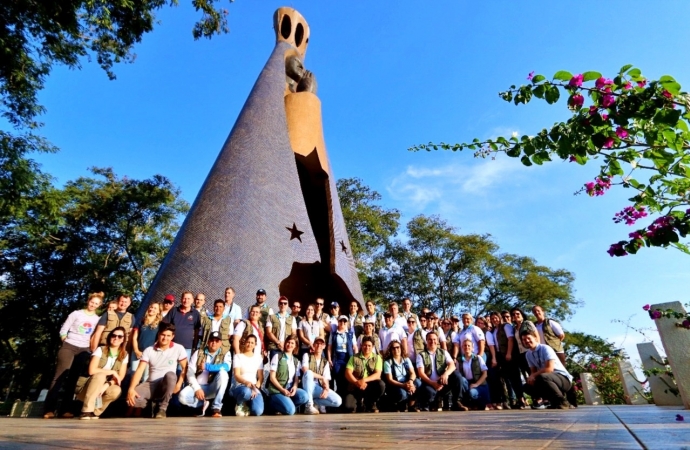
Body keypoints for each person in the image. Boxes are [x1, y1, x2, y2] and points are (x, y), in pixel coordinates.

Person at [44, 292, 103, 419]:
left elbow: (95, 335)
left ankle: (65, 409)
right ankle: (49, 409)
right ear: (88, 301)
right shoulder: (76, 314)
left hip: (84, 349)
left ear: (99, 305)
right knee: (60, 376)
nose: (93, 305)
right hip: (69, 345)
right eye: (92, 302)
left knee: (73, 379)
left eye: (96, 304)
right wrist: (64, 339)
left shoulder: (97, 319)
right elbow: (64, 328)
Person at [127, 323, 188, 418]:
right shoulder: (149, 350)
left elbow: (185, 367)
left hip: (167, 383)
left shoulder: (179, 348)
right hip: (151, 384)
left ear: (172, 337)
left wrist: (179, 384)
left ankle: (162, 409)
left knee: (171, 375)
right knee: (131, 400)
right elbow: (139, 370)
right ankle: (150, 405)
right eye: (163, 335)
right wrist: (131, 389)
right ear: (159, 334)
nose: (165, 338)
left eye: (168, 336)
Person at [75, 327, 129, 419]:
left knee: (116, 390)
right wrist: (111, 372)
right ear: (109, 337)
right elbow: (92, 370)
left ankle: (95, 412)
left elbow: (120, 377)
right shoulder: (100, 349)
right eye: (114, 335)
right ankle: (86, 411)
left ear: (123, 339)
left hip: (103, 388)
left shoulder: (124, 355)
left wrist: (107, 385)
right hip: (87, 388)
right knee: (100, 375)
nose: (116, 338)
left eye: (120, 336)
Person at [178, 331, 232, 417]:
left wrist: (207, 367)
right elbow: (190, 372)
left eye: (217, 341)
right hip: (199, 386)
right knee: (182, 397)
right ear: (208, 342)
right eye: (212, 340)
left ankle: (216, 407)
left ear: (221, 343)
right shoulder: (198, 353)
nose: (214, 343)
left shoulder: (225, 353)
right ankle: (202, 404)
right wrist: (197, 389)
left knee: (223, 374)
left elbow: (227, 367)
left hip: (213, 387)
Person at [521, 328, 574, 409]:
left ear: (535, 338)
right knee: (527, 386)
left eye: (529, 338)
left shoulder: (545, 348)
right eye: (524, 340)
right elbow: (533, 372)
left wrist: (534, 375)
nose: (527, 341)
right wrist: (531, 377)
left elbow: (549, 369)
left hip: (563, 379)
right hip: (548, 379)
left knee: (543, 376)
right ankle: (553, 401)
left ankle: (562, 401)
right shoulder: (528, 354)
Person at [416, 331, 466, 412]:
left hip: (443, 382)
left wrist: (446, 374)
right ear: (426, 341)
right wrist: (432, 383)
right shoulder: (421, 355)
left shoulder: (444, 352)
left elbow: (452, 365)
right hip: (429, 384)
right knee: (430, 395)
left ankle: (457, 402)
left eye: (434, 339)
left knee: (457, 376)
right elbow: (421, 373)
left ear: (438, 340)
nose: (432, 341)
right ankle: (434, 402)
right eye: (430, 339)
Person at [267, 335, 309, 415]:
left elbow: (296, 378)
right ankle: (273, 405)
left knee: (304, 396)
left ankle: (286, 405)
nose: (289, 345)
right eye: (288, 342)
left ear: (295, 346)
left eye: (292, 343)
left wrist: (295, 387)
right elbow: (272, 378)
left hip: (289, 388)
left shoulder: (296, 361)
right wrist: (282, 389)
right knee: (291, 411)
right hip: (277, 390)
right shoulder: (277, 356)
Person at [344, 336, 385, 413]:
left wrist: (363, 380)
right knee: (349, 407)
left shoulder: (377, 358)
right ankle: (359, 403)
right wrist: (357, 382)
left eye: (369, 346)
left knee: (381, 385)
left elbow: (377, 374)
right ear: (361, 345)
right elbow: (347, 373)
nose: (367, 347)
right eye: (365, 345)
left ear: (372, 346)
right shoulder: (353, 357)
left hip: (369, 386)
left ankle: (371, 402)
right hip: (356, 386)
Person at [301, 337, 342, 414]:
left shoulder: (325, 361)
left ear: (324, 346)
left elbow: (326, 379)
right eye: (317, 343)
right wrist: (321, 377)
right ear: (313, 345)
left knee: (338, 401)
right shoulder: (307, 355)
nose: (319, 345)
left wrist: (326, 389)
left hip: (318, 387)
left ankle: (316, 402)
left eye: (321, 344)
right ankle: (309, 406)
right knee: (309, 373)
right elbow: (305, 370)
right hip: (307, 386)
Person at [229, 334, 264, 416]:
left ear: (255, 345)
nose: (249, 344)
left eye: (252, 343)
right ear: (244, 343)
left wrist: (256, 386)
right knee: (246, 392)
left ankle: (248, 405)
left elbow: (261, 376)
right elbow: (237, 375)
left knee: (258, 411)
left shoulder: (258, 358)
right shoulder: (238, 357)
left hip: (254, 387)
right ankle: (239, 403)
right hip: (241, 386)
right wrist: (246, 382)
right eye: (248, 342)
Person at [163, 291, 202, 361]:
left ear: (192, 300)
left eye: (188, 298)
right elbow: (164, 325)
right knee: (169, 369)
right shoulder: (174, 311)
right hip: (172, 346)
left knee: (182, 370)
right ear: (181, 299)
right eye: (184, 298)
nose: (186, 300)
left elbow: (197, 330)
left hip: (186, 348)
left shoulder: (195, 314)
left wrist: (194, 346)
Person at [383, 340, 420, 412]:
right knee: (403, 394)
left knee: (418, 383)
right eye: (393, 348)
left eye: (397, 347)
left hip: (407, 382)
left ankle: (411, 405)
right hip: (396, 384)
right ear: (390, 350)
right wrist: (403, 385)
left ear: (401, 348)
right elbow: (389, 380)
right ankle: (398, 404)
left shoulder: (406, 359)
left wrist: (410, 382)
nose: (396, 350)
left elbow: (413, 373)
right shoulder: (387, 362)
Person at [131, 301, 163, 383]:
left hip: (150, 353)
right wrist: (136, 351)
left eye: (155, 308)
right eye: (151, 307)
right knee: (133, 375)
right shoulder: (141, 321)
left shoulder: (160, 325)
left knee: (145, 377)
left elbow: (158, 340)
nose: (152, 309)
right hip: (137, 352)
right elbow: (134, 337)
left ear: (159, 311)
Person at [458, 338, 491, 410]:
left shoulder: (478, 358)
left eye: (469, 346)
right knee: (461, 379)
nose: (467, 347)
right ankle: (467, 403)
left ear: (472, 348)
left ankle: (479, 404)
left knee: (472, 393)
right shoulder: (459, 360)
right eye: (465, 345)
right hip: (467, 383)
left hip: (478, 384)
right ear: (462, 347)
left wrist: (476, 384)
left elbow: (485, 374)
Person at [328, 315, 356, 396]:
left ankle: (345, 398)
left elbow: (355, 347)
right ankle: (339, 397)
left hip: (348, 358)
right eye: (341, 321)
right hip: (337, 358)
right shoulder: (333, 334)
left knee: (347, 377)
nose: (342, 323)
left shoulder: (350, 334)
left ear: (347, 323)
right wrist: (329, 359)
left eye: (344, 321)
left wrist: (355, 359)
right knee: (337, 377)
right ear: (338, 322)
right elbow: (329, 347)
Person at [265, 296, 298, 361]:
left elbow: (293, 334)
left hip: (287, 347)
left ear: (287, 305)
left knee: (285, 368)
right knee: (274, 369)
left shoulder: (292, 319)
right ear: (278, 304)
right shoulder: (271, 317)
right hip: (274, 347)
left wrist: (286, 344)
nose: (283, 305)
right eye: (281, 303)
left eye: (285, 303)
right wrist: (278, 342)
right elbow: (268, 332)